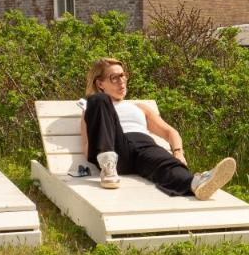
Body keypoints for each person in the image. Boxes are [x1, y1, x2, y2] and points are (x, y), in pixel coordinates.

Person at [79, 57, 236, 200]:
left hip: (143, 145)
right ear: (100, 83)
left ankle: (196, 184)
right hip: (115, 148)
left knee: (165, 164)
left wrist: (178, 152)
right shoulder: (94, 108)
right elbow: (88, 145)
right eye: (114, 78)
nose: (122, 81)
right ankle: (108, 166)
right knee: (98, 99)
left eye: (123, 75)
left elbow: (170, 132)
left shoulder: (139, 107)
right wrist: (99, 155)